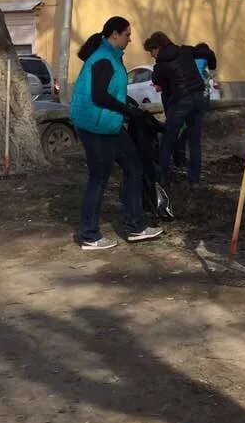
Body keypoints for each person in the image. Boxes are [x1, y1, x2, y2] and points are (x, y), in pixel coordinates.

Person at [70, 16, 164, 250]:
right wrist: (129, 112)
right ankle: (89, 235)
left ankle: (136, 227)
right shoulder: (103, 59)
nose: (130, 39)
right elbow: (99, 95)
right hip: (96, 126)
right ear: (114, 34)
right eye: (127, 35)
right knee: (98, 179)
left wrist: (129, 106)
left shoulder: (111, 56)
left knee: (134, 168)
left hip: (108, 124)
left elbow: (114, 92)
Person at [143, 32, 214, 185]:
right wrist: (212, 64)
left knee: (167, 139)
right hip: (198, 97)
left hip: (181, 101)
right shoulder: (185, 50)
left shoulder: (161, 63)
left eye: (152, 51)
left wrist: (159, 71)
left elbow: (156, 79)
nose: (152, 55)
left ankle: (162, 179)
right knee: (195, 141)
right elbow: (207, 52)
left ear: (159, 47)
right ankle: (194, 180)